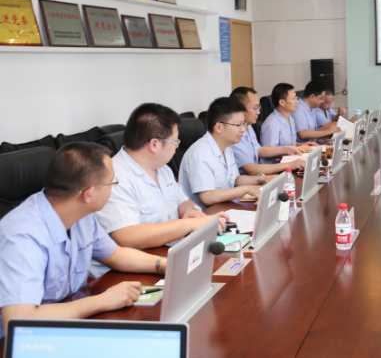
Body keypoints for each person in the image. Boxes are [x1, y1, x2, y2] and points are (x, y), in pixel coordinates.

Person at [0, 142, 167, 336]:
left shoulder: (81, 213)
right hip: (27, 339)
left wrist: (163, 265)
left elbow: (115, 254)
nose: (114, 189)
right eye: (112, 183)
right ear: (89, 193)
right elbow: (20, 321)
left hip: (70, 320)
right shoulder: (22, 236)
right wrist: (102, 301)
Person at [96, 103, 226, 249]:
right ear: (155, 144)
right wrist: (188, 224)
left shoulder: (163, 169)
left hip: (175, 248)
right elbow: (127, 236)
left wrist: (191, 212)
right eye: (175, 141)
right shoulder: (114, 176)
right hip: (144, 257)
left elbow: (183, 201)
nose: (177, 147)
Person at [179, 97, 266, 207]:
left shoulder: (227, 146)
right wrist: (246, 189)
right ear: (219, 127)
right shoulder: (199, 153)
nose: (243, 129)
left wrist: (258, 180)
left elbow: (234, 179)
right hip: (205, 213)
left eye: (244, 124)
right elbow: (207, 197)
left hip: (225, 207)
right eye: (238, 125)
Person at [229, 87, 305, 174]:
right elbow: (251, 169)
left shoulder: (248, 126)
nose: (258, 112)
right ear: (240, 109)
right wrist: (289, 165)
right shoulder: (234, 133)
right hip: (254, 176)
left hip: (261, 174)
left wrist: (287, 149)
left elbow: (258, 150)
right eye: (255, 108)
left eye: (259, 108)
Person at [260, 83, 317, 151]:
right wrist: (296, 149)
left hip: (291, 156)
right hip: (281, 158)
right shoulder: (272, 123)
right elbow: (269, 151)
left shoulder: (290, 118)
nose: (297, 102)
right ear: (282, 102)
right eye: (293, 99)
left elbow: (289, 145)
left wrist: (302, 145)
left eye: (296, 98)